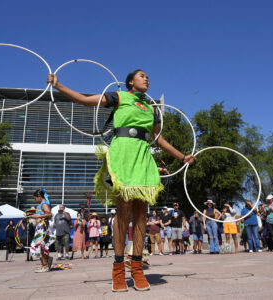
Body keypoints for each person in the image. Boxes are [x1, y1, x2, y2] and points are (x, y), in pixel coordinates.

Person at [48, 69, 195, 292]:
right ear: (130, 82)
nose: (147, 78)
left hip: (143, 157)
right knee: (123, 212)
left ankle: (136, 267)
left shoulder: (151, 108)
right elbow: (87, 101)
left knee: (141, 214)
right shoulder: (119, 97)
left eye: (148, 77)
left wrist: (183, 157)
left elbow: (159, 139)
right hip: (123, 155)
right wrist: (59, 86)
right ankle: (118, 268)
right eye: (142, 75)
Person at [29, 189, 55, 273]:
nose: (35, 200)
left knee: (38, 246)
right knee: (39, 247)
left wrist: (37, 217)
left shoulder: (43, 204)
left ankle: (45, 266)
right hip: (41, 227)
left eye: (35, 198)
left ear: (39, 197)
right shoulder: (43, 204)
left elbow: (49, 214)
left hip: (43, 228)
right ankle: (46, 261)